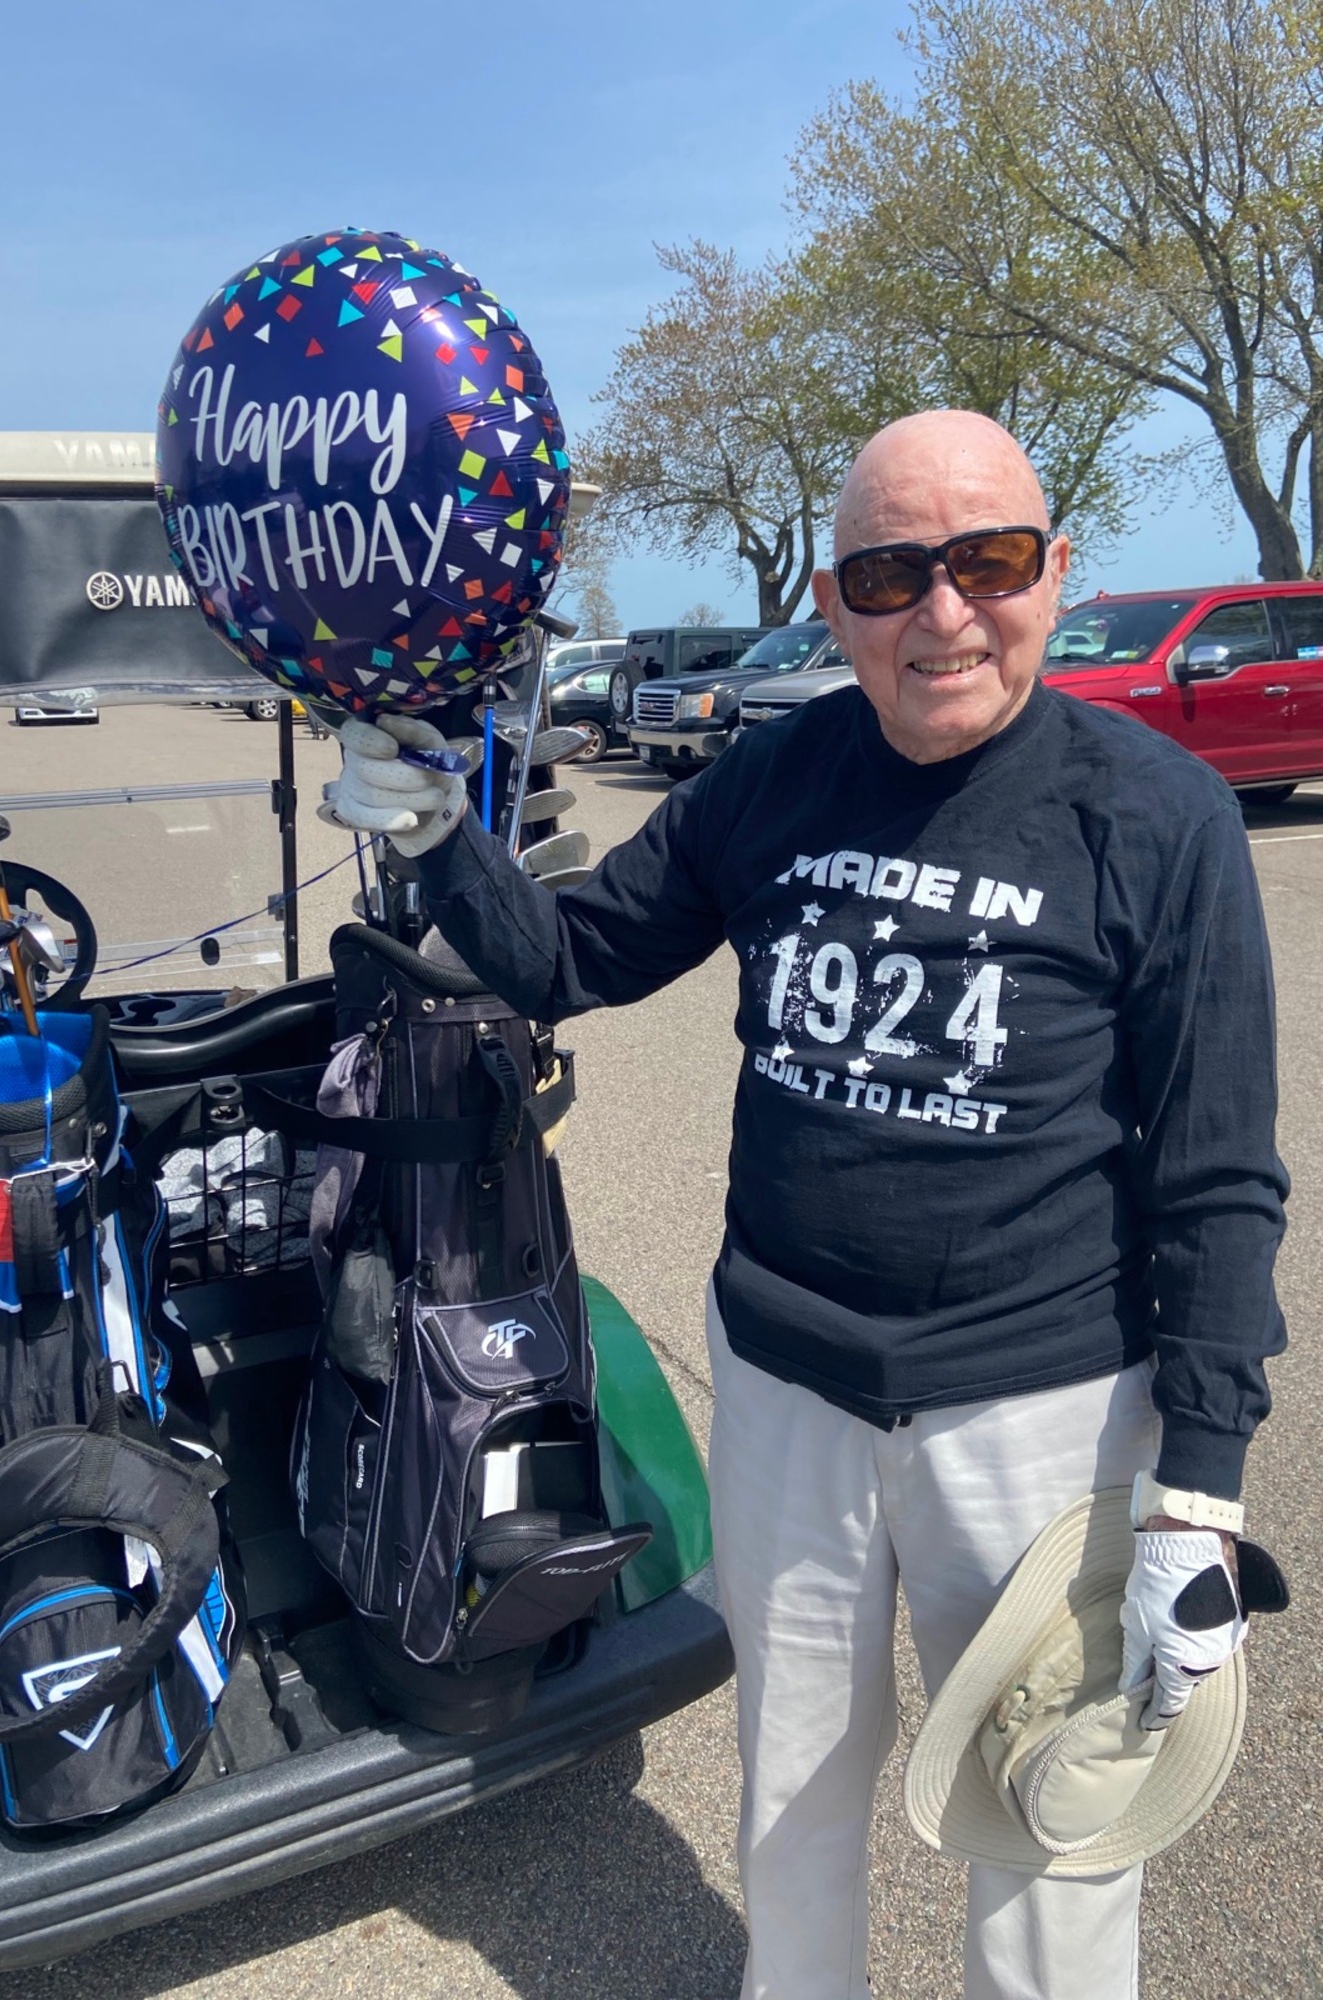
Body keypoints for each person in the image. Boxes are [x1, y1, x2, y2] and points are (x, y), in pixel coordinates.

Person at [324, 410, 1287, 2000]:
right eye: (892, 575)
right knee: (793, 1799)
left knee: (1052, 1845)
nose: (945, 614)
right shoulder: (776, 774)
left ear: (1056, 574)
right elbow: (576, 959)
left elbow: (1219, 1176)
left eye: (988, 563)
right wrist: (438, 844)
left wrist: (1201, 1487)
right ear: (835, 605)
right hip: (787, 1388)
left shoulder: (1158, 816)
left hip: (1044, 1416)